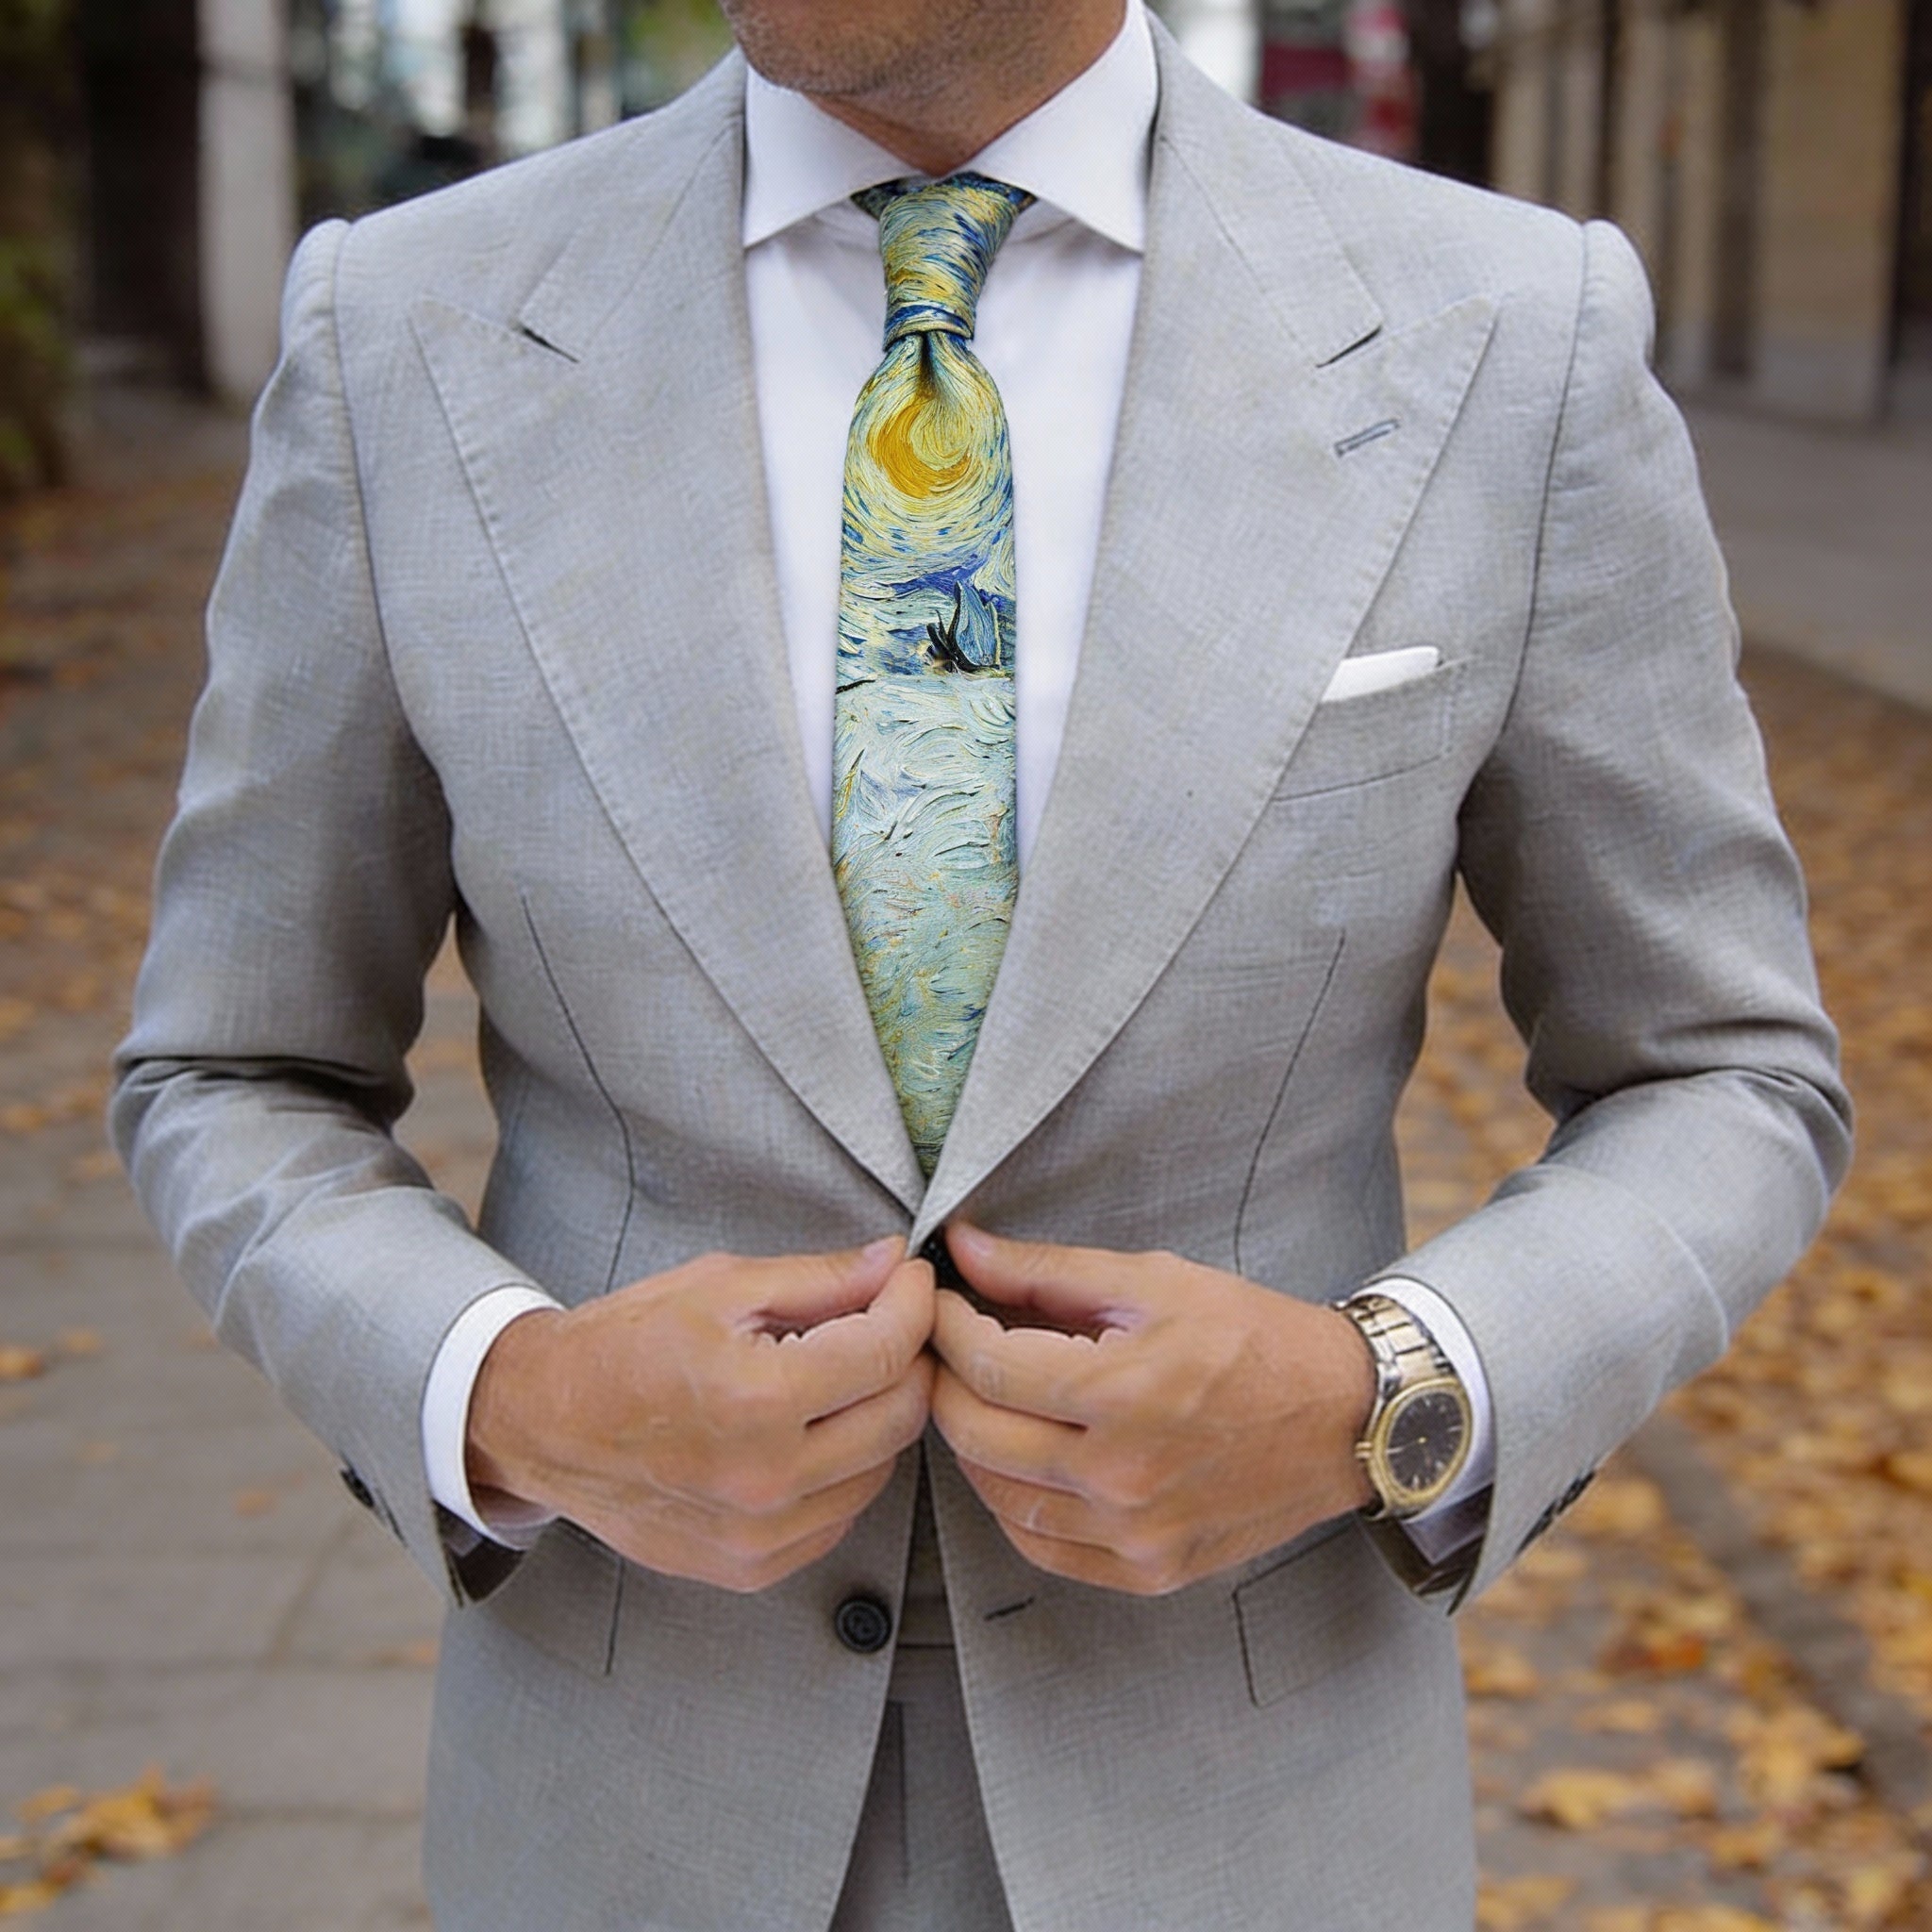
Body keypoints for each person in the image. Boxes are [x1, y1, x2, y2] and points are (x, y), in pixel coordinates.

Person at [110, 0, 1850, 1925]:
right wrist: (502, 1394)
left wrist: (1391, 1393)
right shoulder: (404, 331)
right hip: (630, 1804)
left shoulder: (1508, 338)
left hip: (1246, 1799)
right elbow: (233, 1063)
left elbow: (1719, 1070)